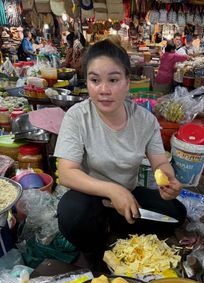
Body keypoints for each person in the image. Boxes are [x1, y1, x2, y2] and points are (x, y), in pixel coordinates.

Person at [54, 39, 186, 271]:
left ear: (127, 82)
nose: (104, 90)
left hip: (128, 196)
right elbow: (66, 174)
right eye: (95, 80)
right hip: (90, 198)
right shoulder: (77, 116)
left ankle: (117, 226)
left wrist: (168, 180)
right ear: (88, 82)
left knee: (175, 213)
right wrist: (113, 190)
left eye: (113, 80)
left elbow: (160, 162)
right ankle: (96, 254)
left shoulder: (145, 120)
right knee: (71, 214)